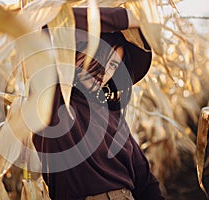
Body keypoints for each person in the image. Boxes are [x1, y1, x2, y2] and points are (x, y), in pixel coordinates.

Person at [32, 6, 165, 200]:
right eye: (97, 56)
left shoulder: (111, 113)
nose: (104, 72)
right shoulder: (53, 97)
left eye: (112, 65)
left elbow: (145, 180)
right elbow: (49, 21)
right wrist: (126, 18)